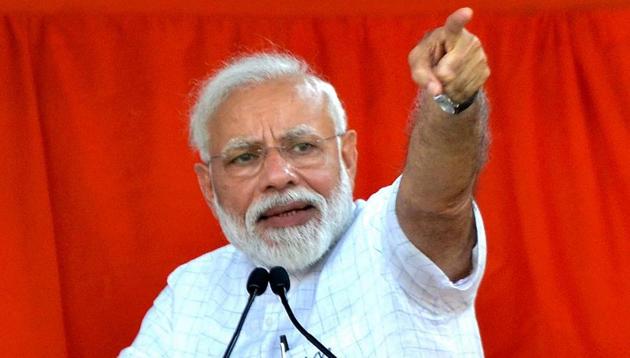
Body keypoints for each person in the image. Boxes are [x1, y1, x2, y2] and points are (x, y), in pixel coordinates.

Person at [121, 7, 490, 357]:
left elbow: (437, 206)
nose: (278, 177)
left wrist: (451, 100)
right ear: (208, 185)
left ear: (347, 156)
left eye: (302, 147)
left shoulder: (388, 239)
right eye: (245, 157)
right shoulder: (190, 292)